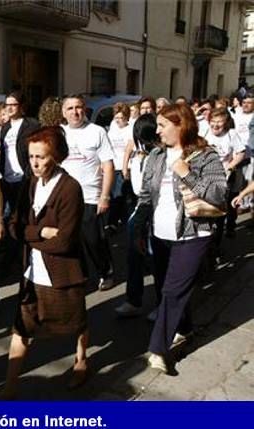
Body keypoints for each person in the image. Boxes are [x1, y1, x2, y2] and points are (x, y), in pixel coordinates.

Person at [133, 104, 227, 373]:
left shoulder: (205, 155)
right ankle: (184, 328)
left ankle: (158, 349)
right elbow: (146, 196)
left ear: (181, 125)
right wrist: (139, 228)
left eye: (163, 125)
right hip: (160, 234)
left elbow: (219, 194)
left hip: (193, 233)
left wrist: (187, 173)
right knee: (168, 287)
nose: (158, 130)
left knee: (173, 291)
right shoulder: (156, 156)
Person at [0, 126, 88, 399]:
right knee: (21, 328)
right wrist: (39, 233)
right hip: (32, 271)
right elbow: (14, 226)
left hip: (62, 273)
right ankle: (10, 387)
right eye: (31, 156)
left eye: (41, 157)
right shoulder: (29, 183)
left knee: (76, 322)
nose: (35, 163)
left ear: (57, 156)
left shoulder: (70, 188)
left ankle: (82, 361)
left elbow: (64, 242)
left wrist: (27, 235)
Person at [61, 94, 115, 291]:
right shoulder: (59, 133)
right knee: (71, 241)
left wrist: (105, 196)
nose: (75, 112)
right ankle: (81, 276)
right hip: (66, 199)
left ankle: (105, 271)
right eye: (70, 108)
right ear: (63, 112)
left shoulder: (97, 132)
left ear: (85, 110)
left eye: (79, 107)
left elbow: (108, 166)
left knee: (93, 240)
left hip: (91, 197)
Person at [115, 114, 160, 317]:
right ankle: (133, 300)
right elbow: (136, 185)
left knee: (157, 259)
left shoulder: (161, 155)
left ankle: (162, 305)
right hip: (139, 209)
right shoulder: (138, 154)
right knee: (134, 258)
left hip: (157, 211)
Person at [205, 108, 246, 241]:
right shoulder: (204, 132)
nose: (215, 125)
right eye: (213, 121)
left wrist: (230, 166)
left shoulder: (231, 134)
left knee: (219, 211)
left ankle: (217, 242)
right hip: (205, 176)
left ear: (226, 122)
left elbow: (241, 152)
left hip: (223, 177)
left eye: (219, 122)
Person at [0, 90, 40, 216]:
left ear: (21, 106)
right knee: (11, 216)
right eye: (7, 105)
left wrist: (30, 172)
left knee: (25, 215)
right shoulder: (5, 128)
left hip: (25, 178)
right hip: (7, 179)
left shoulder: (32, 125)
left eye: (13, 105)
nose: (9, 108)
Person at [106, 102, 133, 230]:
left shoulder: (130, 129)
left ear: (127, 117)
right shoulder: (113, 126)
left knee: (119, 194)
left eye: (121, 118)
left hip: (124, 166)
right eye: (116, 118)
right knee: (112, 194)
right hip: (113, 165)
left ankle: (113, 222)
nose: (118, 121)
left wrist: (125, 167)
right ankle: (117, 219)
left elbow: (129, 149)